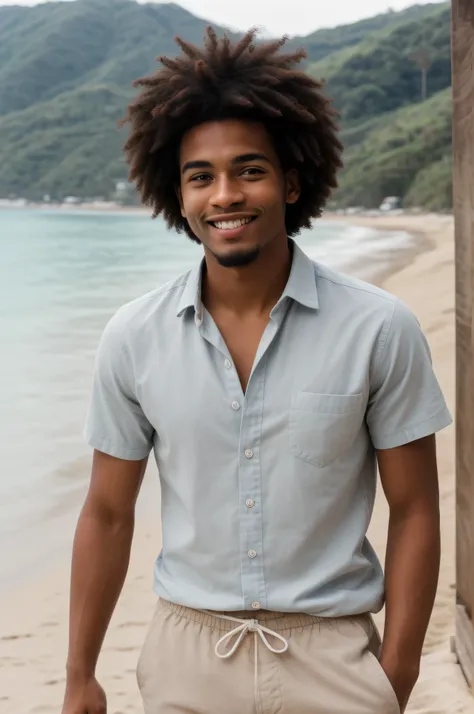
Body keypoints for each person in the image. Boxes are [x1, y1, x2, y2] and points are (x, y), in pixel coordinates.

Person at [61, 27, 452, 714]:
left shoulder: (378, 328)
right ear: (176, 197)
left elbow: (416, 507)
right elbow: (107, 512)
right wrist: (79, 674)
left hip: (335, 656)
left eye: (249, 169)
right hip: (187, 657)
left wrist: (397, 669)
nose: (225, 196)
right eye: (200, 177)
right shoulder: (134, 337)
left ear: (291, 181)